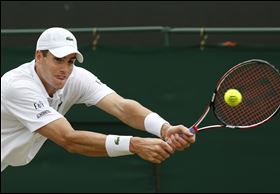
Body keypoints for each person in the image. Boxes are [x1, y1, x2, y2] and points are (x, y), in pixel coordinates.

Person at [1, 27, 195, 172]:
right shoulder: (17, 86)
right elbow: (69, 139)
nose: (65, 69)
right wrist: (135, 144)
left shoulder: (75, 77)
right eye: (58, 59)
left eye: (70, 61)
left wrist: (164, 128)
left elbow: (122, 107)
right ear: (39, 56)